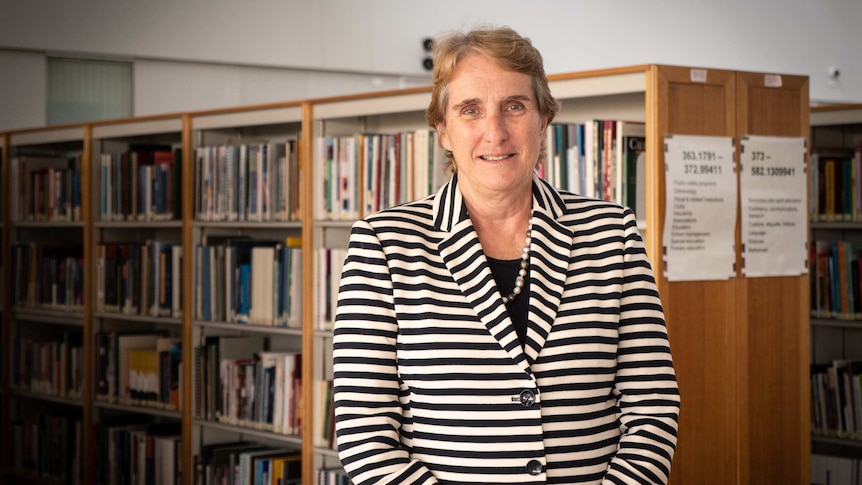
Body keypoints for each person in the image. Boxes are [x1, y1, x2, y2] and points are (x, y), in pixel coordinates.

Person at [332, 26, 679, 485]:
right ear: (443, 130)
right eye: (470, 110)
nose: (494, 132)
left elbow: (652, 409)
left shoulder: (612, 233)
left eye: (514, 106)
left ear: (543, 120)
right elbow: (364, 434)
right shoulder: (384, 243)